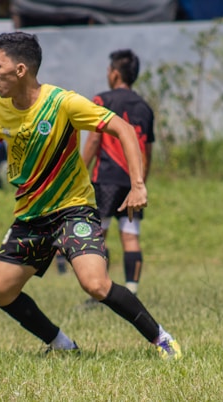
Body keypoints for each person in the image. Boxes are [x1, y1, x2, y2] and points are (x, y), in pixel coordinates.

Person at [0, 32, 181, 360]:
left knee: (95, 284)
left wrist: (138, 184)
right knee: (1, 291)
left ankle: (161, 339)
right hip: (31, 216)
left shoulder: (63, 103)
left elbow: (122, 128)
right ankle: (62, 344)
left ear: (20, 70)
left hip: (73, 210)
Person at [82, 49, 155, 298]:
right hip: (133, 180)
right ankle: (132, 290)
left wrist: (79, 170)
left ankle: (101, 290)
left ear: (114, 73)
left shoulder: (102, 100)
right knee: (130, 236)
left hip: (106, 178)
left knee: (98, 235)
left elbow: (93, 141)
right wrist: (140, 182)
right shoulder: (144, 107)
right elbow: (147, 149)